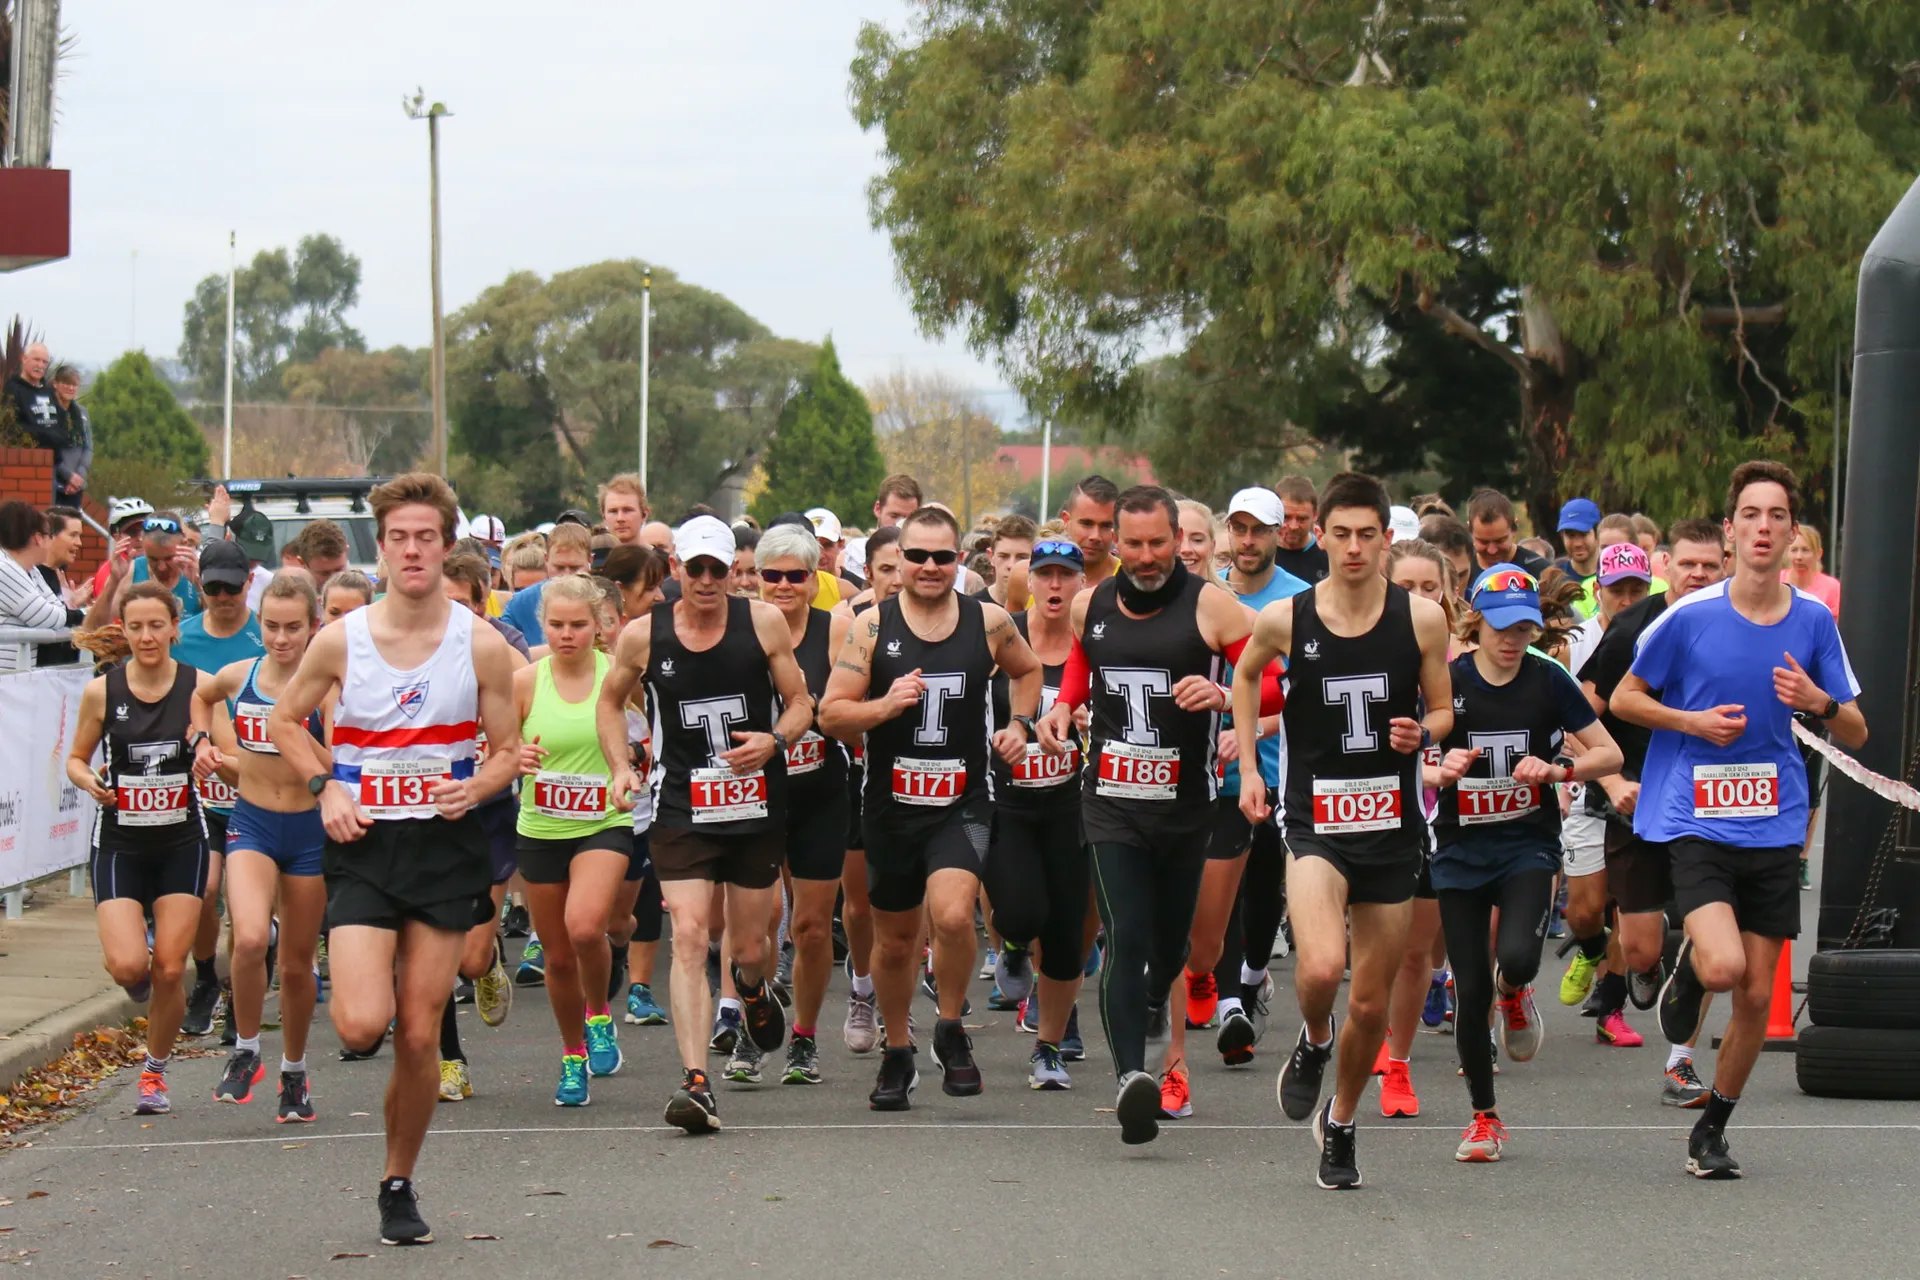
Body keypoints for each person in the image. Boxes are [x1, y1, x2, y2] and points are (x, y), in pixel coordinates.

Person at [267, 472, 523, 1247]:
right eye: (399, 539)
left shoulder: (479, 643)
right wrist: (325, 788)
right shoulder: (341, 638)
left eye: (426, 538)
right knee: (359, 1023)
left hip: (444, 848)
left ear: (448, 548)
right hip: (364, 842)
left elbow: (510, 752)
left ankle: (398, 1181)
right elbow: (283, 719)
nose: (412, 551)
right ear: (381, 548)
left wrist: (475, 786)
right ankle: (391, 1157)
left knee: (418, 1034)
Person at [1613, 462, 1864, 1179]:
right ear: (1731, 532)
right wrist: (1689, 719)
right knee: (1725, 968)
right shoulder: (1689, 617)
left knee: (1757, 993)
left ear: (1791, 533)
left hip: (1776, 823)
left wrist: (1817, 700)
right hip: (1699, 817)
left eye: (1775, 516)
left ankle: (1713, 1129)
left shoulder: (1815, 622)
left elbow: (1856, 731)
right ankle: (1693, 963)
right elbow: (1625, 699)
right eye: (1749, 515)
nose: (1762, 527)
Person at [1035, 485, 1273, 1144]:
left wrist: (1225, 692)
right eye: (1132, 544)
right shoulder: (1093, 602)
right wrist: (1062, 707)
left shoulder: (1214, 607)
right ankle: (1131, 1080)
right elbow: (1085, 658)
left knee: (1175, 948)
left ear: (1179, 540)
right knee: (1127, 934)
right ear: (1114, 541)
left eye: (1156, 543)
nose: (1144, 556)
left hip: (1186, 807)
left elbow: (1271, 676)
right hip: (1110, 800)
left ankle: (1152, 1002)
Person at [1236, 471, 1453, 1191]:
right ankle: (1313, 1039)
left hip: (1391, 829)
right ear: (1320, 537)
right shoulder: (1286, 618)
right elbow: (1244, 678)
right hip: (1315, 821)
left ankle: (1343, 1120)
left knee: (1373, 1000)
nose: (1354, 548)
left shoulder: (1420, 620)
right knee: (1325, 969)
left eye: (1368, 535)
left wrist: (1421, 731)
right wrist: (1248, 771)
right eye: (1342, 534)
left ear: (1387, 540)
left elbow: (1446, 713)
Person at [820, 506, 1041, 1111]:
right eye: (916, 556)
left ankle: (949, 1024)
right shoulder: (869, 627)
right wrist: (883, 707)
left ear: (959, 561)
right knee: (892, 944)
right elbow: (831, 713)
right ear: (899, 560)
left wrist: (1020, 723)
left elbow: (1029, 670)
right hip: (890, 806)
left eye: (943, 556)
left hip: (962, 801)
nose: (929, 567)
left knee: (951, 915)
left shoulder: (989, 621)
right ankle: (898, 1052)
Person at [597, 515, 813, 1133]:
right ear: (677, 571)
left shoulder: (762, 623)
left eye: (721, 569)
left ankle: (751, 989)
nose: (710, 580)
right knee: (689, 936)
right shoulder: (643, 636)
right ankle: (696, 1082)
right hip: (680, 806)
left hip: (754, 803)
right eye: (698, 568)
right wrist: (619, 766)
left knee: (746, 948)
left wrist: (774, 740)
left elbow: (801, 702)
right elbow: (610, 702)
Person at [1427, 566, 1622, 1162]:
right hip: (1458, 849)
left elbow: (1607, 751)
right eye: (1502, 627)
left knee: (1513, 957)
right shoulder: (1448, 682)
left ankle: (1516, 992)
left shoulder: (1549, 679)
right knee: (1468, 981)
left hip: (1526, 846)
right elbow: (1409, 756)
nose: (1513, 639)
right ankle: (1484, 1119)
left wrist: (1559, 771)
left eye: (1526, 628)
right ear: (1476, 622)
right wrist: (1439, 769)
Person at [1580, 518, 1728, 1106]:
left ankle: (1681, 1062)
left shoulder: (1737, 622)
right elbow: (1580, 716)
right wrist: (1612, 779)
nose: (1698, 576)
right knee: (1641, 947)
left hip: (1713, 800)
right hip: (1640, 796)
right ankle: (1645, 970)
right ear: (1664, 563)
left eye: (1710, 566)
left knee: (1709, 927)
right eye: (1687, 564)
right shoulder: (1634, 627)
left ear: (1726, 566)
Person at [67, 583, 219, 1117]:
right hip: (120, 843)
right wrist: (91, 782)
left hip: (181, 840)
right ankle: (138, 966)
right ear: (124, 632)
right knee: (129, 967)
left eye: (157, 626)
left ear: (175, 628)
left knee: (172, 970)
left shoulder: (198, 686)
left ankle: (154, 1073)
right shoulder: (102, 692)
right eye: (136, 627)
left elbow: (216, 743)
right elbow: (76, 760)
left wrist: (205, 750)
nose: (147, 636)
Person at [192, 573, 330, 1121]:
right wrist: (202, 741)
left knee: (297, 966)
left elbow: (336, 762)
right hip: (250, 822)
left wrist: (290, 728)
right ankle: (246, 1049)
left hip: (308, 832)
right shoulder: (237, 675)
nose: (280, 638)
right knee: (248, 940)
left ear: (313, 627)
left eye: (293, 628)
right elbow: (200, 698)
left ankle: (293, 1071)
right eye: (270, 626)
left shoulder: (327, 687)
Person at [511, 574, 634, 1106]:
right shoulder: (525, 682)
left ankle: (600, 1014)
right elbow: (497, 748)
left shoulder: (620, 676)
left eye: (578, 625)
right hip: (541, 826)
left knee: (586, 927)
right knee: (557, 957)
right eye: (556, 625)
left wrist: (631, 769)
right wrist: (515, 756)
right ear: (543, 625)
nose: (567, 635)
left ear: (599, 625)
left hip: (605, 822)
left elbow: (649, 735)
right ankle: (572, 1054)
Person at [983, 536, 1088, 1089]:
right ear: (1027, 580)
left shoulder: (1092, 645)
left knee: (1069, 932)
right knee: (1023, 911)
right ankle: (1016, 945)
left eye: (1064, 576)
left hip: (1072, 804)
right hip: (1009, 802)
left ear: (1079, 583)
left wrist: (1095, 726)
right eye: (1043, 574)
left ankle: (1048, 1048)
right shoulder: (1004, 636)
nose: (1053, 585)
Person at [754, 523, 852, 1084]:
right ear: (757, 578)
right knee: (758, 921)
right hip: (755, 796)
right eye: (773, 575)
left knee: (811, 926)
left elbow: (847, 702)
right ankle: (752, 1018)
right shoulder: (740, 627)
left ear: (816, 581)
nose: (784, 585)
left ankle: (805, 1038)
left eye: (797, 575)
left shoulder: (835, 629)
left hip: (819, 791)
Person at [432, 553, 528, 1099]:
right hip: (430, 817)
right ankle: (451, 1060)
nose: (454, 616)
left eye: (464, 604)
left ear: (481, 603)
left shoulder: (501, 658)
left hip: (487, 816)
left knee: (468, 957)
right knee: (436, 947)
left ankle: (488, 962)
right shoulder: (410, 658)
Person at [171, 540, 267, 1040]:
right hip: (205, 790)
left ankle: (241, 996)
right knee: (205, 891)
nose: (225, 596)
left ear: (249, 581)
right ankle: (207, 978)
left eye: (233, 585)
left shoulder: (265, 635)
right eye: (214, 588)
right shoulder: (181, 638)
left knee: (248, 907)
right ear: (199, 586)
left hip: (262, 790)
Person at [0, 501, 80, 673]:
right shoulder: (4, 569)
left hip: (13, 680)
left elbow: (57, 612)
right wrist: (63, 611)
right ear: (38, 538)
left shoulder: (31, 570)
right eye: (50, 535)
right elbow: (50, 619)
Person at [501, 523, 592, 645]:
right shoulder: (520, 604)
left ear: (590, 561)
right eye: (559, 568)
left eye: (574, 568)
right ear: (546, 560)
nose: (566, 575)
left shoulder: (605, 600)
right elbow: (505, 652)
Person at [34, 505, 89, 666]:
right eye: (73, 535)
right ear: (51, 536)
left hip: (61, 676)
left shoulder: (59, 575)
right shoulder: (29, 575)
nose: (79, 543)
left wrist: (72, 605)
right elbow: (44, 617)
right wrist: (80, 612)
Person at [122, 514, 202, 617]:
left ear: (184, 544)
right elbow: (99, 626)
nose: (161, 567)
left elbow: (219, 624)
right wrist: (113, 582)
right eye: (153, 559)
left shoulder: (197, 571)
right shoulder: (132, 570)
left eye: (169, 558)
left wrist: (199, 586)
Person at [1467, 490, 1550, 577]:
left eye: (1499, 541)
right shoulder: (1462, 573)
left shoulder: (1541, 571)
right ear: (1470, 531)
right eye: (1484, 542)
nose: (1492, 550)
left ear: (1514, 528)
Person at [48, 365, 91, 504]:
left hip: (76, 485)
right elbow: (49, 448)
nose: (70, 388)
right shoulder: (48, 411)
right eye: (66, 383)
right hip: (54, 483)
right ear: (55, 384)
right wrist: (68, 476)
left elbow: (88, 447)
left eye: (74, 385)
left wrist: (79, 476)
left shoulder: (82, 413)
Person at [1274, 476, 1330, 584]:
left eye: (1302, 519)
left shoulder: (1328, 558)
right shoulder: (1262, 554)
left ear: (1315, 515)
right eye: (1286, 517)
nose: (1293, 526)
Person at [1783, 525, 1840, 619]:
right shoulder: (1775, 581)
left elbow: (1833, 628)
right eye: (1794, 550)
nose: (1799, 557)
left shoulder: (1832, 587)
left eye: (1805, 550)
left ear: (1819, 554)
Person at [979, 514, 1036, 605]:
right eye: (1003, 556)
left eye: (1022, 557)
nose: (1012, 565)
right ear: (991, 557)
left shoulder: (1045, 610)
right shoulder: (974, 609)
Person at [1552, 497, 1603, 585]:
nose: (1577, 544)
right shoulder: (1555, 579)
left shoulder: (1613, 575)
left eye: (1583, 534)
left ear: (1597, 533)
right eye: (1570, 535)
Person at [600, 474, 648, 547]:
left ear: (644, 515)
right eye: (613, 511)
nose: (620, 518)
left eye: (627, 510)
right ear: (604, 517)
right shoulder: (591, 557)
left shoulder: (659, 558)